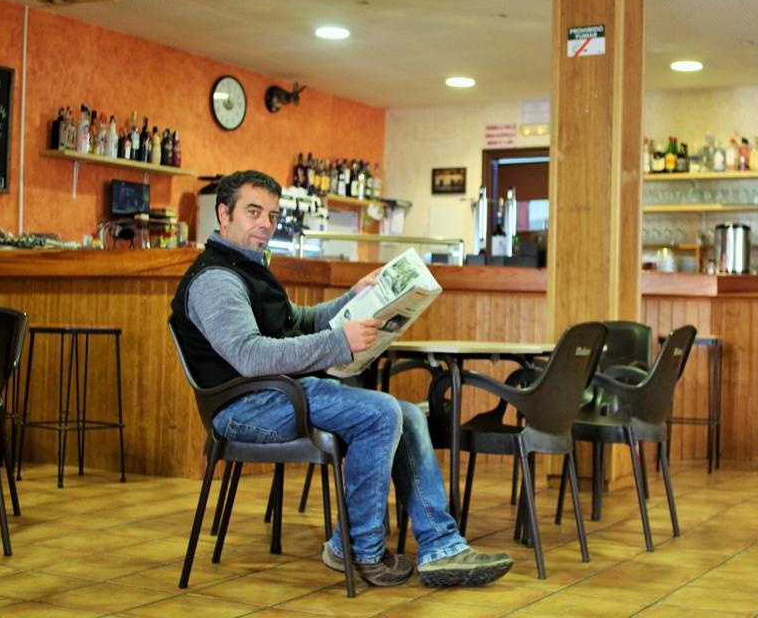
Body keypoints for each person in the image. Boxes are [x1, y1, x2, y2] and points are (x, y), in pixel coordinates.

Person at [170, 170, 513, 587]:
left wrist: (355, 297)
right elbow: (250, 356)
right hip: (247, 406)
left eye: (273, 216)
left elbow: (300, 321)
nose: (266, 224)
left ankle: (441, 546)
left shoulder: (251, 268)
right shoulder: (217, 279)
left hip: (280, 393)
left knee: (409, 415)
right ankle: (358, 550)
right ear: (223, 214)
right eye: (253, 212)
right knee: (383, 412)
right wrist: (339, 343)